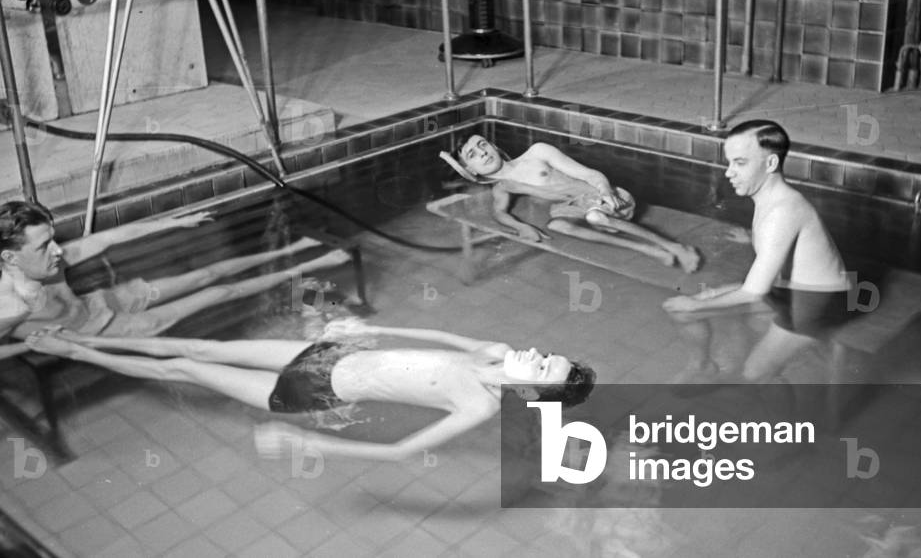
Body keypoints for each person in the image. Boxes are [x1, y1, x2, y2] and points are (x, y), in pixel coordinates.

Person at [25, 319, 596, 462]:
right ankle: (74, 335)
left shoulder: (476, 405)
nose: (538, 355)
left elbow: (400, 451)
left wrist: (315, 447)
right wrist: (364, 331)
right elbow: (434, 336)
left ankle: (75, 353)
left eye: (543, 368)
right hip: (332, 355)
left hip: (313, 395)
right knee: (202, 346)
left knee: (184, 370)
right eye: (549, 354)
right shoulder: (495, 352)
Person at [0, 200, 349, 357]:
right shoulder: (9, 304)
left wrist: (175, 222)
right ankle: (306, 266)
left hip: (102, 302)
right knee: (219, 292)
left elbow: (108, 238)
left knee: (207, 274)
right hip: (101, 332)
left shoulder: (49, 261)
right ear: (10, 257)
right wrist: (31, 344)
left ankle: (299, 246)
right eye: (46, 244)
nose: (59, 250)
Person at [662, 120, 857, 381]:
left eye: (740, 163)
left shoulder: (783, 211)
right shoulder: (770, 198)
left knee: (755, 374)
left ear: (771, 164)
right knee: (681, 311)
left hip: (816, 302)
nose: (729, 172)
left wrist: (694, 303)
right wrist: (753, 238)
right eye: (729, 162)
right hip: (784, 288)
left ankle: (794, 415)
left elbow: (753, 293)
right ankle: (702, 366)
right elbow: (783, 241)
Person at [441, 135, 700, 271]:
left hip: (607, 197)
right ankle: (650, 251)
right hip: (577, 207)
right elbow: (500, 213)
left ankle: (674, 247)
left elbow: (590, 174)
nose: (483, 153)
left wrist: (605, 191)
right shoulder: (503, 187)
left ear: (494, 146)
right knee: (558, 225)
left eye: (483, 144)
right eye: (473, 155)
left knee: (595, 217)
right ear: (471, 171)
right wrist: (522, 227)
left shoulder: (537, 153)